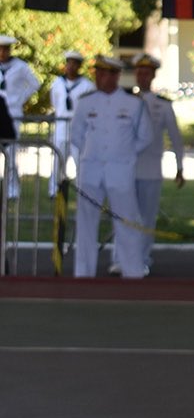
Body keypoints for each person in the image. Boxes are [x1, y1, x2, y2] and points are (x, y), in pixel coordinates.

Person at [70, 56, 152, 278]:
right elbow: (76, 134)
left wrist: (125, 153)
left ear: (116, 76)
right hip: (91, 170)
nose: (99, 78)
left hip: (120, 170)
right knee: (86, 223)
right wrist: (92, 153)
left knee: (127, 221)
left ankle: (132, 271)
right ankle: (83, 273)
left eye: (104, 74)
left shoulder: (133, 104)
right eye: (97, 73)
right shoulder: (86, 102)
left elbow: (145, 136)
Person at [119, 54, 185, 275]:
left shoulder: (162, 105)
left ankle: (143, 259)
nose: (142, 76)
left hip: (151, 169)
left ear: (153, 75)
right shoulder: (125, 101)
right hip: (127, 169)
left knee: (146, 219)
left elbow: (175, 137)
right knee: (124, 216)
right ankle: (121, 259)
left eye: (146, 73)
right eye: (139, 72)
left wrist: (179, 166)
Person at [48, 51, 95, 193]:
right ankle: (54, 189)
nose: (71, 67)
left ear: (79, 66)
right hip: (62, 125)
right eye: (69, 63)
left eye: (75, 64)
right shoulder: (57, 83)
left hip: (79, 127)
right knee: (58, 159)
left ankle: (82, 190)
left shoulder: (87, 85)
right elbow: (55, 102)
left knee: (79, 160)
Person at [0, 35, 40, 198]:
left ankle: (12, 188)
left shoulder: (20, 66)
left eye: (5, 49)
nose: (2, 52)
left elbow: (34, 84)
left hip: (12, 112)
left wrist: (20, 99)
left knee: (11, 150)